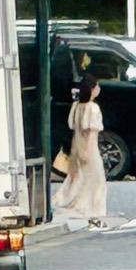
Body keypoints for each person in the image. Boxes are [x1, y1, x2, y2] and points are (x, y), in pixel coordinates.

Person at [51, 75, 108, 228]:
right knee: (96, 180)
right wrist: (90, 151)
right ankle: (94, 210)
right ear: (92, 89)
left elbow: (72, 126)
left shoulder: (76, 106)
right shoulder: (93, 108)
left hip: (77, 146)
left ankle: (70, 200)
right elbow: (91, 131)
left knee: (76, 177)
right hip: (90, 147)